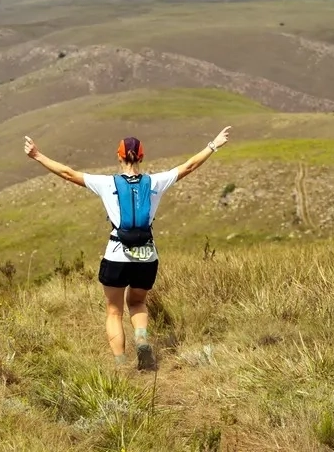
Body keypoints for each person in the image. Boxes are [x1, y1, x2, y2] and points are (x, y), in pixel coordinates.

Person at [22, 126, 232, 370]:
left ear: (119, 156)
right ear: (141, 157)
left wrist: (37, 155)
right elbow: (189, 166)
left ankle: (121, 364)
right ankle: (141, 337)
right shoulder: (156, 182)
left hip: (116, 255)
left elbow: (68, 173)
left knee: (114, 311)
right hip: (147, 256)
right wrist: (213, 145)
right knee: (137, 302)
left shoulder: (105, 183)